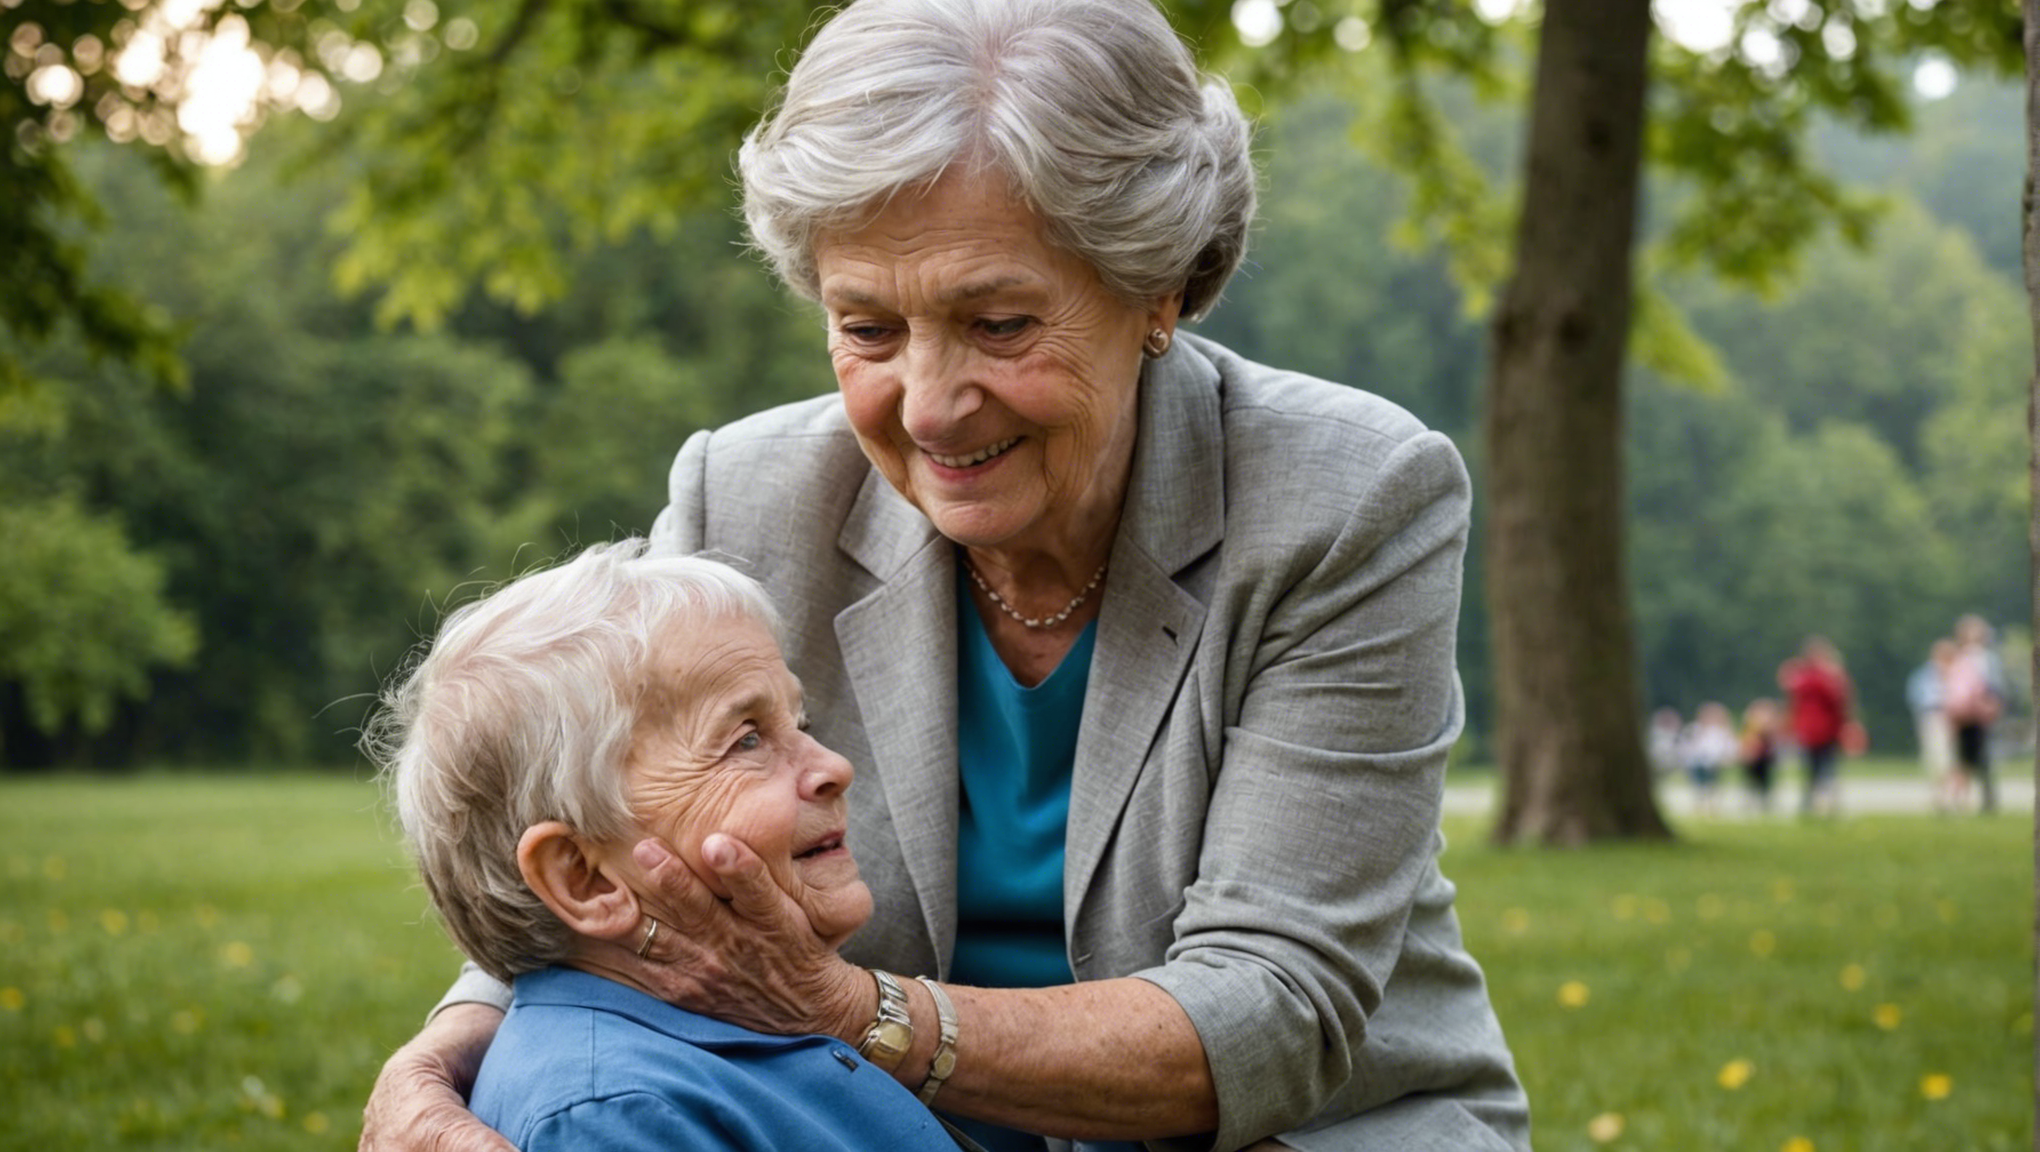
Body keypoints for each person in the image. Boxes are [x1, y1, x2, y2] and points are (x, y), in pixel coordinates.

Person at [361, 1, 1528, 1149]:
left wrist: (853, 1017)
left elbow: (1275, 1007)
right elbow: (596, 831)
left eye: (1002, 323)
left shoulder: (1350, 495)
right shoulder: (749, 494)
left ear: (1158, 290)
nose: (929, 404)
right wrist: (439, 1060)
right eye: (867, 328)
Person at [364, 542, 966, 1151]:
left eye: (801, 724)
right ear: (586, 880)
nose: (833, 766)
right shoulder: (614, 1118)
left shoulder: (732, 1033)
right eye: (746, 740)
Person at [1777, 637, 1853, 818]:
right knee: (1824, 767)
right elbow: (1839, 699)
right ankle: (1823, 804)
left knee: (1815, 768)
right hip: (1821, 728)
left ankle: (1813, 803)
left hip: (1814, 728)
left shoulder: (1803, 676)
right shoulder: (1825, 677)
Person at [1945, 614, 2009, 814]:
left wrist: (1993, 705)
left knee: (1984, 758)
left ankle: (1986, 800)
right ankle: (1958, 800)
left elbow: (1996, 687)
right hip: (1964, 716)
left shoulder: (1988, 659)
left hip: (1982, 715)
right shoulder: (1960, 657)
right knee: (1964, 759)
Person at [1906, 638, 1959, 813]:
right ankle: (1939, 795)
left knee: (1950, 758)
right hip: (1932, 716)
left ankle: (1950, 795)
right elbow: (1918, 696)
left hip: (1953, 717)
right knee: (1936, 757)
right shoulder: (1926, 674)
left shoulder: (1956, 672)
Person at [1679, 702, 1737, 818]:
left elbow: (1729, 747)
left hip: (1714, 763)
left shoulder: (1722, 731)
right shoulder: (1694, 729)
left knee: (1712, 785)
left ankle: (1712, 807)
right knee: (1699, 785)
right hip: (1696, 762)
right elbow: (1686, 745)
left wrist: (1727, 758)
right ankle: (1700, 806)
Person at [1736, 698, 1780, 815]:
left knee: (1764, 782)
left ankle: (1764, 804)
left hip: (1764, 757)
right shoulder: (1750, 724)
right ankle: (1750, 803)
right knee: (1750, 782)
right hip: (1752, 756)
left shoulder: (1769, 725)